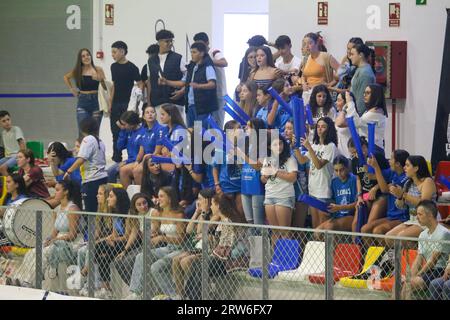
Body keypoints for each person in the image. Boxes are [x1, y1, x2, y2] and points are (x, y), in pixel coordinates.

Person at [10, 180, 82, 288]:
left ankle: (29, 282)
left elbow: (72, 235)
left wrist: (57, 240)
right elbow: (54, 233)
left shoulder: (72, 209)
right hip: (57, 241)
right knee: (32, 251)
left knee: (42, 254)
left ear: (66, 192)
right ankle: (19, 279)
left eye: (57, 190)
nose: (55, 193)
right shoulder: (57, 209)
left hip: (70, 243)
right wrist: (47, 240)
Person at [127, 186, 185, 300]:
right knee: (141, 256)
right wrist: (153, 235)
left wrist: (161, 238)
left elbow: (181, 240)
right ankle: (135, 293)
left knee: (155, 268)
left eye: (162, 196)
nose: (159, 199)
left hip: (180, 248)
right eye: (158, 196)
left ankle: (174, 296)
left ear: (170, 198)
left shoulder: (179, 215)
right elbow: (156, 230)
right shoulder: (160, 213)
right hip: (168, 248)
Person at [171, 188, 218, 299]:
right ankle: (180, 294)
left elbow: (200, 230)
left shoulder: (216, 216)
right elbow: (189, 230)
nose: (198, 202)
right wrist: (197, 212)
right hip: (198, 248)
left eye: (200, 199)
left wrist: (203, 212)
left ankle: (199, 288)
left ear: (208, 201)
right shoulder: (202, 213)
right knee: (175, 260)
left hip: (210, 249)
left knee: (185, 261)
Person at [159, 41, 217, 128]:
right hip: (190, 105)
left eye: (194, 52)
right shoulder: (191, 66)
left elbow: (212, 84)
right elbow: (182, 83)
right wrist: (167, 82)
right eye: (191, 52)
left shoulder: (207, 66)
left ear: (201, 53)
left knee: (199, 135)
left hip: (202, 107)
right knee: (190, 131)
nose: (192, 54)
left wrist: (199, 86)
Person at [401, 200, 450, 299]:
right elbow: (419, 259)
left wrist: (417, 275)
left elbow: (433, 261)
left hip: (439, 270)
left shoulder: (443, 233)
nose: (417, 217)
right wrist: (410, 275)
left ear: (430, 215)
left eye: (420, 214)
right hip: (428, 270)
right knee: (401, 283)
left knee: (410, 283)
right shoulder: (423, 234)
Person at [296, 117, 338, 228]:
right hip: (313, 189)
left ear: (329, 129)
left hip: (324, 190)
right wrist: (294, 147)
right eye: (318, 126)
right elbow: (302, 160)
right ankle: (317, 246)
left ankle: (327, 245)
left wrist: (309, 147)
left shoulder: (331, 146)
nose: (320, 129)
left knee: (323, 225)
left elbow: (319, 165)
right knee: (315, 225)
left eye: (323, 127)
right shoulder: (315, 145)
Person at [386, 156, 437, 243]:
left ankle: (416, 255)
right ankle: (401, 256)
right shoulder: (408, 183)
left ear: (416, 168)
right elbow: (402, 207)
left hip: (427, 221)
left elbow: (424, 204)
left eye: (407, 165)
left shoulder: (427, 181)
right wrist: (399, 197)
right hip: (412, 220)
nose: (404, 168)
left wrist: (403, 194)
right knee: (389, 237)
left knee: (401, 237)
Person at [64, 117, 108, 213]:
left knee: (90, 210)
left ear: (83, 128)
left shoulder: (87, 139)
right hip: (103, 177)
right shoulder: (100, 141)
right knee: (101, 209)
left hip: (92, 180)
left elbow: (82, 158)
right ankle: (99, 228)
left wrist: (69, 171)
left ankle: (91, 228)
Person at [94, 188, 130, 299]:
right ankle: (106, 289)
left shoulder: (128, 213)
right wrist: (108, 239)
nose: (108, 199)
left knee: (98, 247)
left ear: (118, 198)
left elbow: (127, 236)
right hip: (116, 242)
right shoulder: (114, 212)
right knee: (102, 258)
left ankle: (85, 271)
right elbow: (114, 234)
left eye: (110, 196)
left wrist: (113, 240)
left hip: (126, 243)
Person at [362, 150, 410, 236]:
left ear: (398, 164)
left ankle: (387, 250)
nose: (389, 161)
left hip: (402, 217)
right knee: (365, 229)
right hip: (391, 216)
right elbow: (373, 176)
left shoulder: (406, 178)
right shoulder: (392, 172)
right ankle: (374, 250)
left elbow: (384, 189)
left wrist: (376, 167)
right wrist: (368, 167)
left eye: (391, 159)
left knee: (378, 231)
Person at [109, 41, 142, 163]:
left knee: (129, 130)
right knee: (115, 131)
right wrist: (110, 103)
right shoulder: (113, 66)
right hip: (116, 103)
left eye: (114, 52)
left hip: (128, 105)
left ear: (122, 51)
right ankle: (116, 158)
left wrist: (138, 102)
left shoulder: (132, 67)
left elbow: (140, 83)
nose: (112, 55)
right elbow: (114, 86)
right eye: (111, 52)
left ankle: (132, 157)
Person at [261, 134, 298, 240]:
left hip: (284, 196)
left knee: (284, 231)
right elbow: (263, 179)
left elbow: (293, 178)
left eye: (280, 143)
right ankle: (274, 257)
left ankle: (288, 257)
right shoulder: (267, 160)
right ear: (269, 147)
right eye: (275, 144)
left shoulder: (289, 159)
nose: (279, 147)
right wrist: (266, 176)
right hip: (269, 196)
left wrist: (276, 172)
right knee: (275, 232)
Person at [63, 48, 107, 135]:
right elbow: (66, 77)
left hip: (96, 101)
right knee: (82, 130)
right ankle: (82, 147)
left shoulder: (98, 69)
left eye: (88, 55)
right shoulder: (78, 70)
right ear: (80, 59)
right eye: (83, 56)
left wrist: (100, 79)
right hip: (83, 101)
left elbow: (105, 88)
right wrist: (71, 89)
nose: (86, 57)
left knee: (94, 131)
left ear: (91, 56)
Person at [114, 193, 153, 286]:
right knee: (118, 261)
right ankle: (133, 287)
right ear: (134, 207)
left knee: (128, 261)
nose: (143, 206)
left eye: (144, 203)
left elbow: (152, 233)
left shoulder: (153, 212)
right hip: (143, 244)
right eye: (139, 204)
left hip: (153, 244)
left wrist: (143, 233)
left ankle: (137, 289)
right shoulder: (136, 215)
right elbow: (133, 234)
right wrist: (124, 250)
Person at [148, 29, 186, 122]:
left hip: (175, 101)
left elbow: (189, 78)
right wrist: (149, 102)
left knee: (176, 130)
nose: (170, 43)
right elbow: (150, 81)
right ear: (159, 42)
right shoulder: (151, 60)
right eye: (167, 41)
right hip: (157, 101)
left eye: (171, 41)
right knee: (161, 131)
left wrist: (182, 91)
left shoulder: (179, 58)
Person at [193, 32, 228, 128]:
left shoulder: (214, 52)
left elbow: (224, 62)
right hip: (207, 97)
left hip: (219, 94)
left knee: (218, 124)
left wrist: (208, 61)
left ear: (207, 42)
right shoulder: (199, 58)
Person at [316, 156, 357, 232]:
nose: (339, 173)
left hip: (351, 215)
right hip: (337, 215)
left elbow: (358, 203)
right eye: (336, 170)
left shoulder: (354, 180)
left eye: (341, 170)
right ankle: (333, 244)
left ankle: (334, 244)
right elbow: (334, 201)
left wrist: (340, 207)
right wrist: (328, 209)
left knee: (330, 227)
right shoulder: (334, 182)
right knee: (317, 232)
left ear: (347, 168)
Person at [214, 120, 244, 221]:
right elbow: (215, 167)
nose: (241, 130)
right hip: (225, 187)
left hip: (240, 186)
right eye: (238, 128)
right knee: (228, 217)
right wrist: (217, 184)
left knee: (241, 214)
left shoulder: (244, 145)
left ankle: (243, 236)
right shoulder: (220, 147)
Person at [240, 118, 267, 226]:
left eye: (249, 126)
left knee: (258, 223)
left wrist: (242, 155)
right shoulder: (246, 143)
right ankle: (252, 243)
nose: (246, 128)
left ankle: (260, 243)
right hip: (245, 184)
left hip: (257, 186)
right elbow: (243, 165)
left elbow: (257, 166)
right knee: (249, 222)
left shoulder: (263, 145)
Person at [133, 104, 168, 184]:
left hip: (156, 158)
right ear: (144, 117)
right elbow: (141, 151)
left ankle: (142, 194)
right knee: (125, 169)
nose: (150, 114)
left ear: (156, 115)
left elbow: (157, 151)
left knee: (137, 171)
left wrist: (144, 161)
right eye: (147, 113)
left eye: (152, 112)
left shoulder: (160, 129)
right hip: (146, 159)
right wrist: (137, 162)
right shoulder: (144, 131)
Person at [301, 32, 339, 103]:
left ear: (317, 43)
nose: (307, 46)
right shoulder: (306, 58)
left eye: (310, 43)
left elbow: (341, 72)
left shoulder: (326, 56)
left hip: (321, 96)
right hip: (308, 94)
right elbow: (303, 75)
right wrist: (303, 84)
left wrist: (329, 85)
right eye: (305, 44)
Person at [116, 111, 143, 188]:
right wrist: (122, 130)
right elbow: (119, 147)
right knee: (110, 172)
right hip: (129, 161)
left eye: (124, 124)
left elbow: (142, 153)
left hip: (138, 161)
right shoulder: (128, 132)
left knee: (121, 170)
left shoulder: (143, 132)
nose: (123, 126)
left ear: (132, 124)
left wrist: (127, 161)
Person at [349, 43, 376, 115]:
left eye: (352, 54)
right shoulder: (360, 69)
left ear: (360, 55)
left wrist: (355, 116)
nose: (350, 57)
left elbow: (362, 100)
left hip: (359, 117)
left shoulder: (365, 73)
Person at [0, 110, 26, 176]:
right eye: (3, 121)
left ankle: (11, 184)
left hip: (16, 156)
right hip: (7, 157)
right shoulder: (3, 133)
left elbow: (22, 144)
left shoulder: (16, 129)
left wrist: (22, 157)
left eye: (8, 119)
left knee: (2, 168)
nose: (7, 122)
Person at [335, 91, 358, 158]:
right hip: (340, 154)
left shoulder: (353, 116)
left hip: (350, 155)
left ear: (346, 103)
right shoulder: (340, 114)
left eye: (339, 100)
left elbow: (340, 124)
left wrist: (344, 110)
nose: (336, 103)